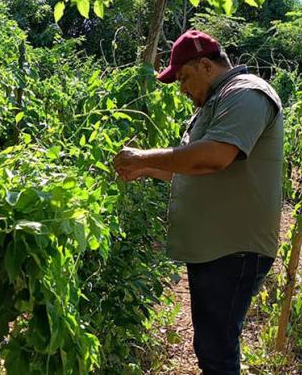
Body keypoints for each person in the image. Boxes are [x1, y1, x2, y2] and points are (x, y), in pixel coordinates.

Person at [113, 29, 284, 375]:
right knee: (211, 344)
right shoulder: (218, 103)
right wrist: (147, 168)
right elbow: (196, 171)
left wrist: (142, 155)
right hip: (216, 246)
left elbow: (213, 157)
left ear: (206, 65)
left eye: (186, 78)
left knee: (217, 347)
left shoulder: (246, 94)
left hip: (234, 248)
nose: (183, 90)